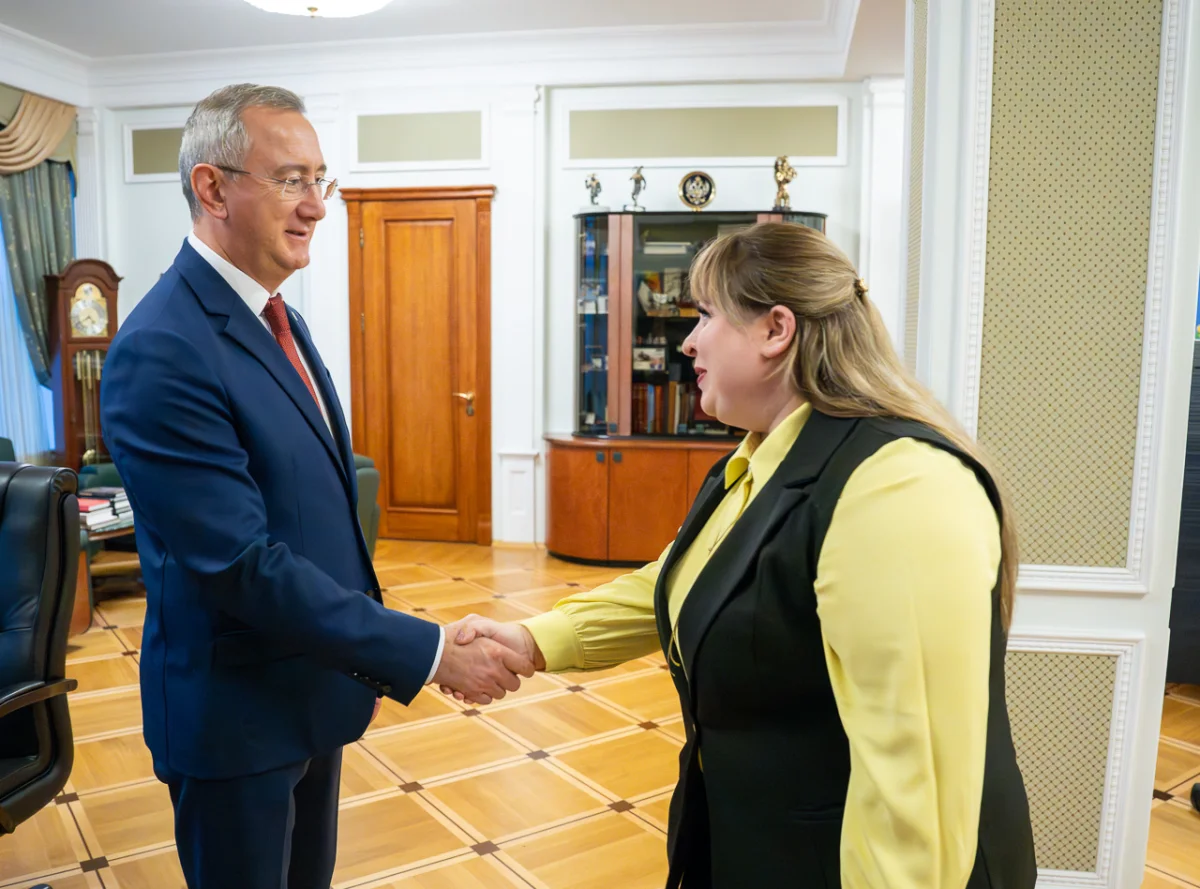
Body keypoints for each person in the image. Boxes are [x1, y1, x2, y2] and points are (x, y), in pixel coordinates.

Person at [448, 222, 1037, 888]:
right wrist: (532, 641)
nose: (688, 341)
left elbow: (914, 787)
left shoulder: (898, 486)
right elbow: (687, 580)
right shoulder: (758, 455)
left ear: (775, 330)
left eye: (705, 315)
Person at [99, 83, 533, 889]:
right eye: (291, 180)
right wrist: (427, 651)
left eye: (319, 180)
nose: (317, 206)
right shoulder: (163, 346)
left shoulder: (279, 318)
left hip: (310, 692)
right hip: (236, 722)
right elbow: (240, 564)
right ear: (212, 188)